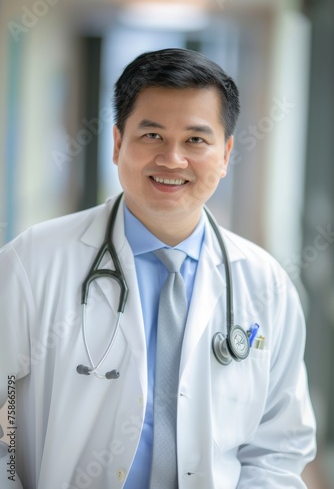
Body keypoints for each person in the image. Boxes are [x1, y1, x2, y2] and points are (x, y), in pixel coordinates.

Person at [0, 48, 316, 489]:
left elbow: (278, 449)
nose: (172, 159)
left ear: (225, 154)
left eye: (196, 140)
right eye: (151, 136)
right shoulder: (34, 261)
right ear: (116, 144)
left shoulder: (266, 285)